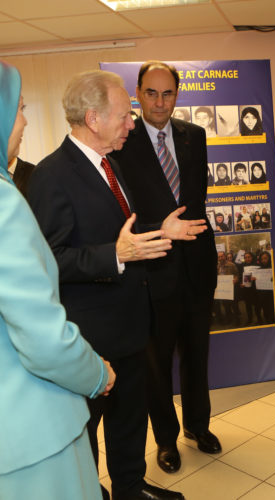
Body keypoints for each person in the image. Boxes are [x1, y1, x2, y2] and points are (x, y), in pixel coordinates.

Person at [28, 70, 198, 500]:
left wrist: (162, 230)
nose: (132, 123)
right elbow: (50, 258)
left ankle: (129, 486)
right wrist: (115, 256)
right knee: (85, 429)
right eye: (125, 115)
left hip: (131, 325)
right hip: (89, 337)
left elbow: (123, 231)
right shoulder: (52, 175)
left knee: (129, 419)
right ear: (93, 118)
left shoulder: (112, 164)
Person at [0, 62, 115, 500]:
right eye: (19, 109)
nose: (26, 121)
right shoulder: (5, 202)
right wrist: (95, 374)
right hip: (28, 435)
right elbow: (42, 336)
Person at [111, 61, 220, 476]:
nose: (160, 102)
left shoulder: (195, 136)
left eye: (168, 93)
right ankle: (166, 440)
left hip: (196, 268)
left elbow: (197, 201)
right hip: (153, 269)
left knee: (197, 354)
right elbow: (126, 211)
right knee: (156, 363)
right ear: (138, 93)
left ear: (178, 95)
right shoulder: (124, 139)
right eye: (152, 93)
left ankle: (198, 426)